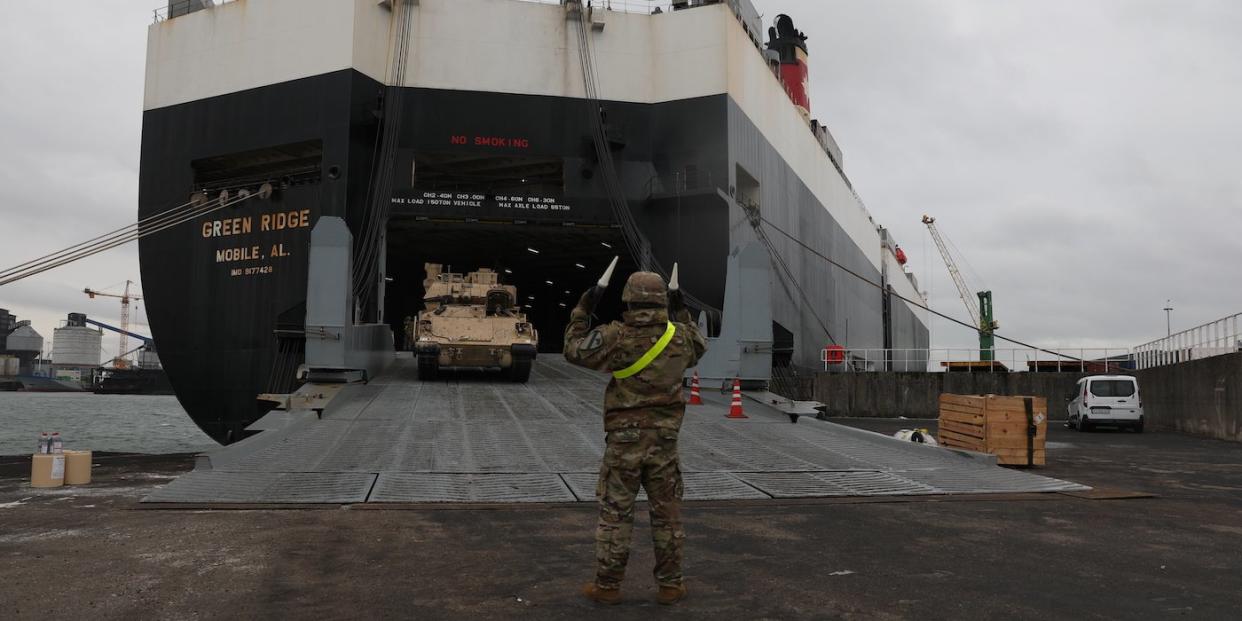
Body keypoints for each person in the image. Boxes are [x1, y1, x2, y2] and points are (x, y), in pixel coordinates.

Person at [564, 269, 707, 606]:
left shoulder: (615, 335)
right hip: (665, 442)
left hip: (624, 442)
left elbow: (573, 350)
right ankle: (671, 586)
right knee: (666, 514)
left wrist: (583, 309)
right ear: (662, 300)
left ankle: (608, 586)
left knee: (616, 513)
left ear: (628, 298)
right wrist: (680, 308)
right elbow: (699, 347)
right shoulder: (681, 337)